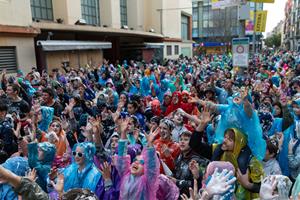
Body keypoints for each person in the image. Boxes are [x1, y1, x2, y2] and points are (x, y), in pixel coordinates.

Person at [116, 118, 160, 200]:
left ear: (146, 169)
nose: (136, 163)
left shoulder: (148, 181)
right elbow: (122, 156)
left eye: (141, 163)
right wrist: (123, 132)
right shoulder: (126, 174)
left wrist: (150, 144)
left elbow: (151, 165)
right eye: (135, 161)